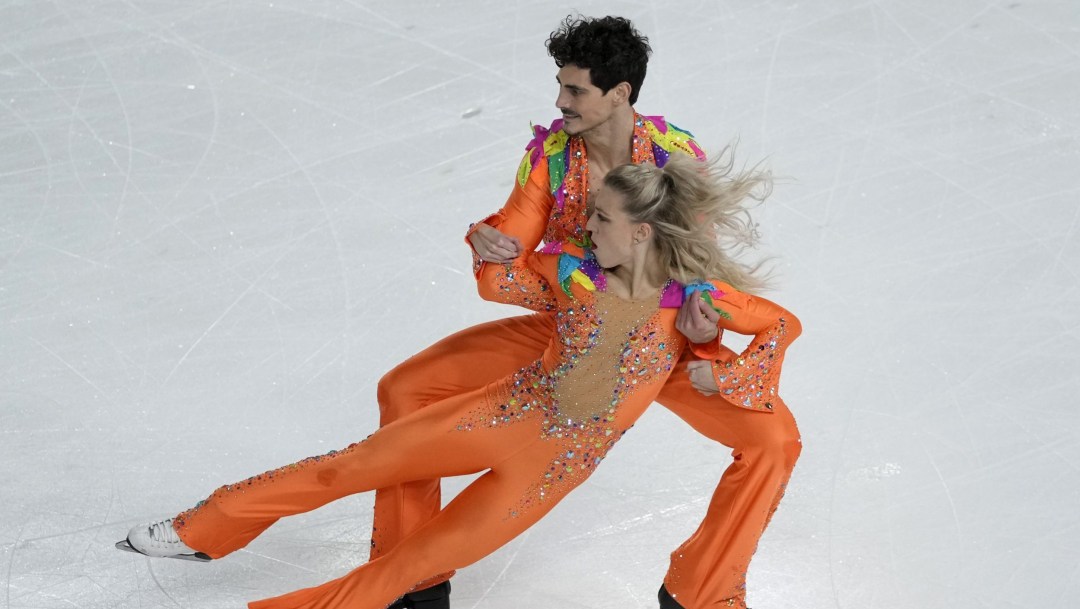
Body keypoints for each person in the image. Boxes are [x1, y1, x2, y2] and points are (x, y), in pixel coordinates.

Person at [119, 153, 800, 609]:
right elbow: (505, 280)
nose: (586, 225)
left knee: (401, 571)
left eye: (601, 218)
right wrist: (483, 244)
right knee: (346, 466)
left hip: (551, 468)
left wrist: (725, 373)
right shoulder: (570, 271)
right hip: (497, 413)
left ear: (646, 233)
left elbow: (781, 326)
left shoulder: (694, 300)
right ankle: (201, 527)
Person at [373, 15, 801, 609]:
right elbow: (502, 282)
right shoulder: (548, 161)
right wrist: (489, 243)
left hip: (662, 341)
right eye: (560, 85)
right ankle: (408, 583)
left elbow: (695, 257)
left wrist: (703, 305)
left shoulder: (675, 156)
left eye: (575, 90)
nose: (559, 101)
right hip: (574, 335)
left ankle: (701, 589)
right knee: (406, 388)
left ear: (620, 93)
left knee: (774, 441)